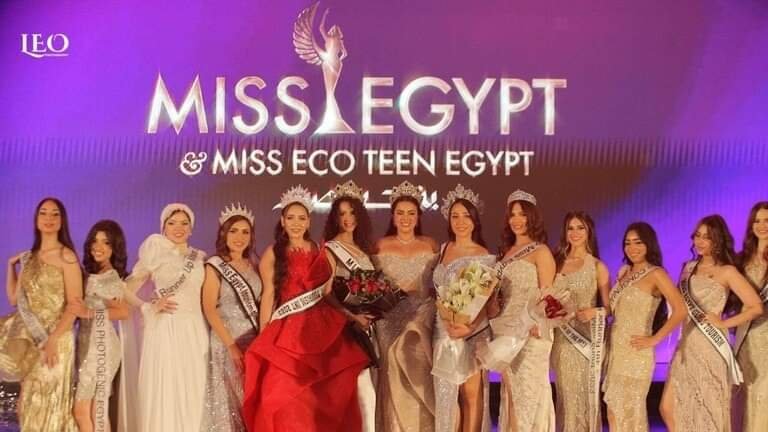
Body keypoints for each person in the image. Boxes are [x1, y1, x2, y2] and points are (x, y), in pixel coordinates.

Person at [242, 185, 369, 432]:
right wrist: (264, 334)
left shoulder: (321, 250)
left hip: (322, 328)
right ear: (282, 221)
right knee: (280, 392)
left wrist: (350, 316)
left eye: (302, 218)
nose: (296, 224)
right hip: (286, 328)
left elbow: (326, 292)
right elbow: (268, 295)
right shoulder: (273, 253)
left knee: (324, 396)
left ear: (309, 221)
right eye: (291, 218)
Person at [660, 215, 763, 432]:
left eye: (706, 237)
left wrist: (725, 323)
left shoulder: (727, 271)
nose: (699, 241)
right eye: (697, 235)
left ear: (717, 240)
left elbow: (756, 307)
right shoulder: (688, 268)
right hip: (686, 346)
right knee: (669, 408)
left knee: (707, 413)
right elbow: (678, 304)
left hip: (711, 347)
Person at [123, 203, 208, 432]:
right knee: (166, 387)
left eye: (184, 223)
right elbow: (125, 289)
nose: (178, 228)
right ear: (163, 227)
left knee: (194, 387)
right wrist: (148, 306)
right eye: (172, 223)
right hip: (166, 328)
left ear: (191, 228)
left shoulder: (200, 257)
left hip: (194, 328)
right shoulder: (155, 254)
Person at [0, 197, 82, 431]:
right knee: (28, 403)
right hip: (33, 341)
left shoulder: (67, 256)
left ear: (62, 221)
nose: (49, 218)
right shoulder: (29, 258)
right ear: (36, 219)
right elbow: (14, 299)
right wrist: (10, 267)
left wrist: (53, 340)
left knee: (49, 403)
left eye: (55, 214)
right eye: (43, 213)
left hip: (57, 339)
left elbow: (75, 305)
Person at [602, 222, 685, 432]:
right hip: (616, 352)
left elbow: (680, 310)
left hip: (637, 353)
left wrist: (655, 339)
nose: (632, 248)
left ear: (648, 244)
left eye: (638, 242)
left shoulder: (656, 274)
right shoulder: (624, 273)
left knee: (631, 413)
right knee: (613, 412)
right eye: (627, 243)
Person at [373, 181, 439, 432]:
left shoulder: (431, 244)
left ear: (418, 216)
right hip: (388, 319)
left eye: (411, 213)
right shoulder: (380, 245)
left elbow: (439, 283)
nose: (405, 218)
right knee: (391, 372)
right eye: (400, 213)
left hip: (421, 318)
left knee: (419, 372)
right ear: (393, 216)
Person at [432, 184, 495, 432]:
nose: (460, 222)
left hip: (472, 333)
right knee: (446, 397)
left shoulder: (484, 255)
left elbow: (485, 301)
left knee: (471, 396)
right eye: (455, 216)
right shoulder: (443, 249)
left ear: (475, 220)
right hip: (443, 331)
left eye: (466, 216)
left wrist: (468, 328)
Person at [492, 190, 556, 432]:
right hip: (505, 331)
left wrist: (536, 322)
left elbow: (548, 295)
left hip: (531, 333)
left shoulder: (541, 251)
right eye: (513, 214)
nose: (517, 220)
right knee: (512, 396)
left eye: (522, 214)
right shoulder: (505, 253)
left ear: (532, 217)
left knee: (529, 396)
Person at [322, 180, 379, 432]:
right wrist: (352, 317)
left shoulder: (363, 249)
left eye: (352, 212)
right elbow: (325, 293)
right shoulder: (330, 249)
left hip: (366, 328)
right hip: (345, 331)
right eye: (342, 213)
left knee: (365, 392)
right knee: (362, 394)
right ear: (335, 218)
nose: (347, 219)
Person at [201, 204, 262, 431]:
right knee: (232, 402)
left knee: (251, 401)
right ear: (223, 234)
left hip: (252, 340)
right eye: (234, 231)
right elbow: (209, 309)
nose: (239, 237)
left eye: (245, 232)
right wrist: (232, 346)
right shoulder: (215, 265)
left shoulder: (254, 265)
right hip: (226, 340)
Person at [550, 211, 610, 432]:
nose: (575, 233)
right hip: (561, 339)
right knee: (565, 396)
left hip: (585, 341)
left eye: (580, 228)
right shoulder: (555, 263)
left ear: (589, 231)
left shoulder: (597, 266)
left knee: (584, 397)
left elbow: (609, 307)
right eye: (570, 228)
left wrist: (595, 311)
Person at [69, 220, 130, 432]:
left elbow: (123, 312)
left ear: (115, 248)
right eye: (95, 240)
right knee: (97, 411)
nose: (98, 246)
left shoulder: (110, 278)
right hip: (90, 345)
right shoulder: (95, 275)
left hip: (101, 348)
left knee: (84, 411)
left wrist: (88, 313)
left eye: (106, 242)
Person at [735, 202, 768, 431]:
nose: (762, 225)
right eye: (757, 221)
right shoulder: (740, 259)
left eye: (767, 220)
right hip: (746, 335)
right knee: (748, 393)